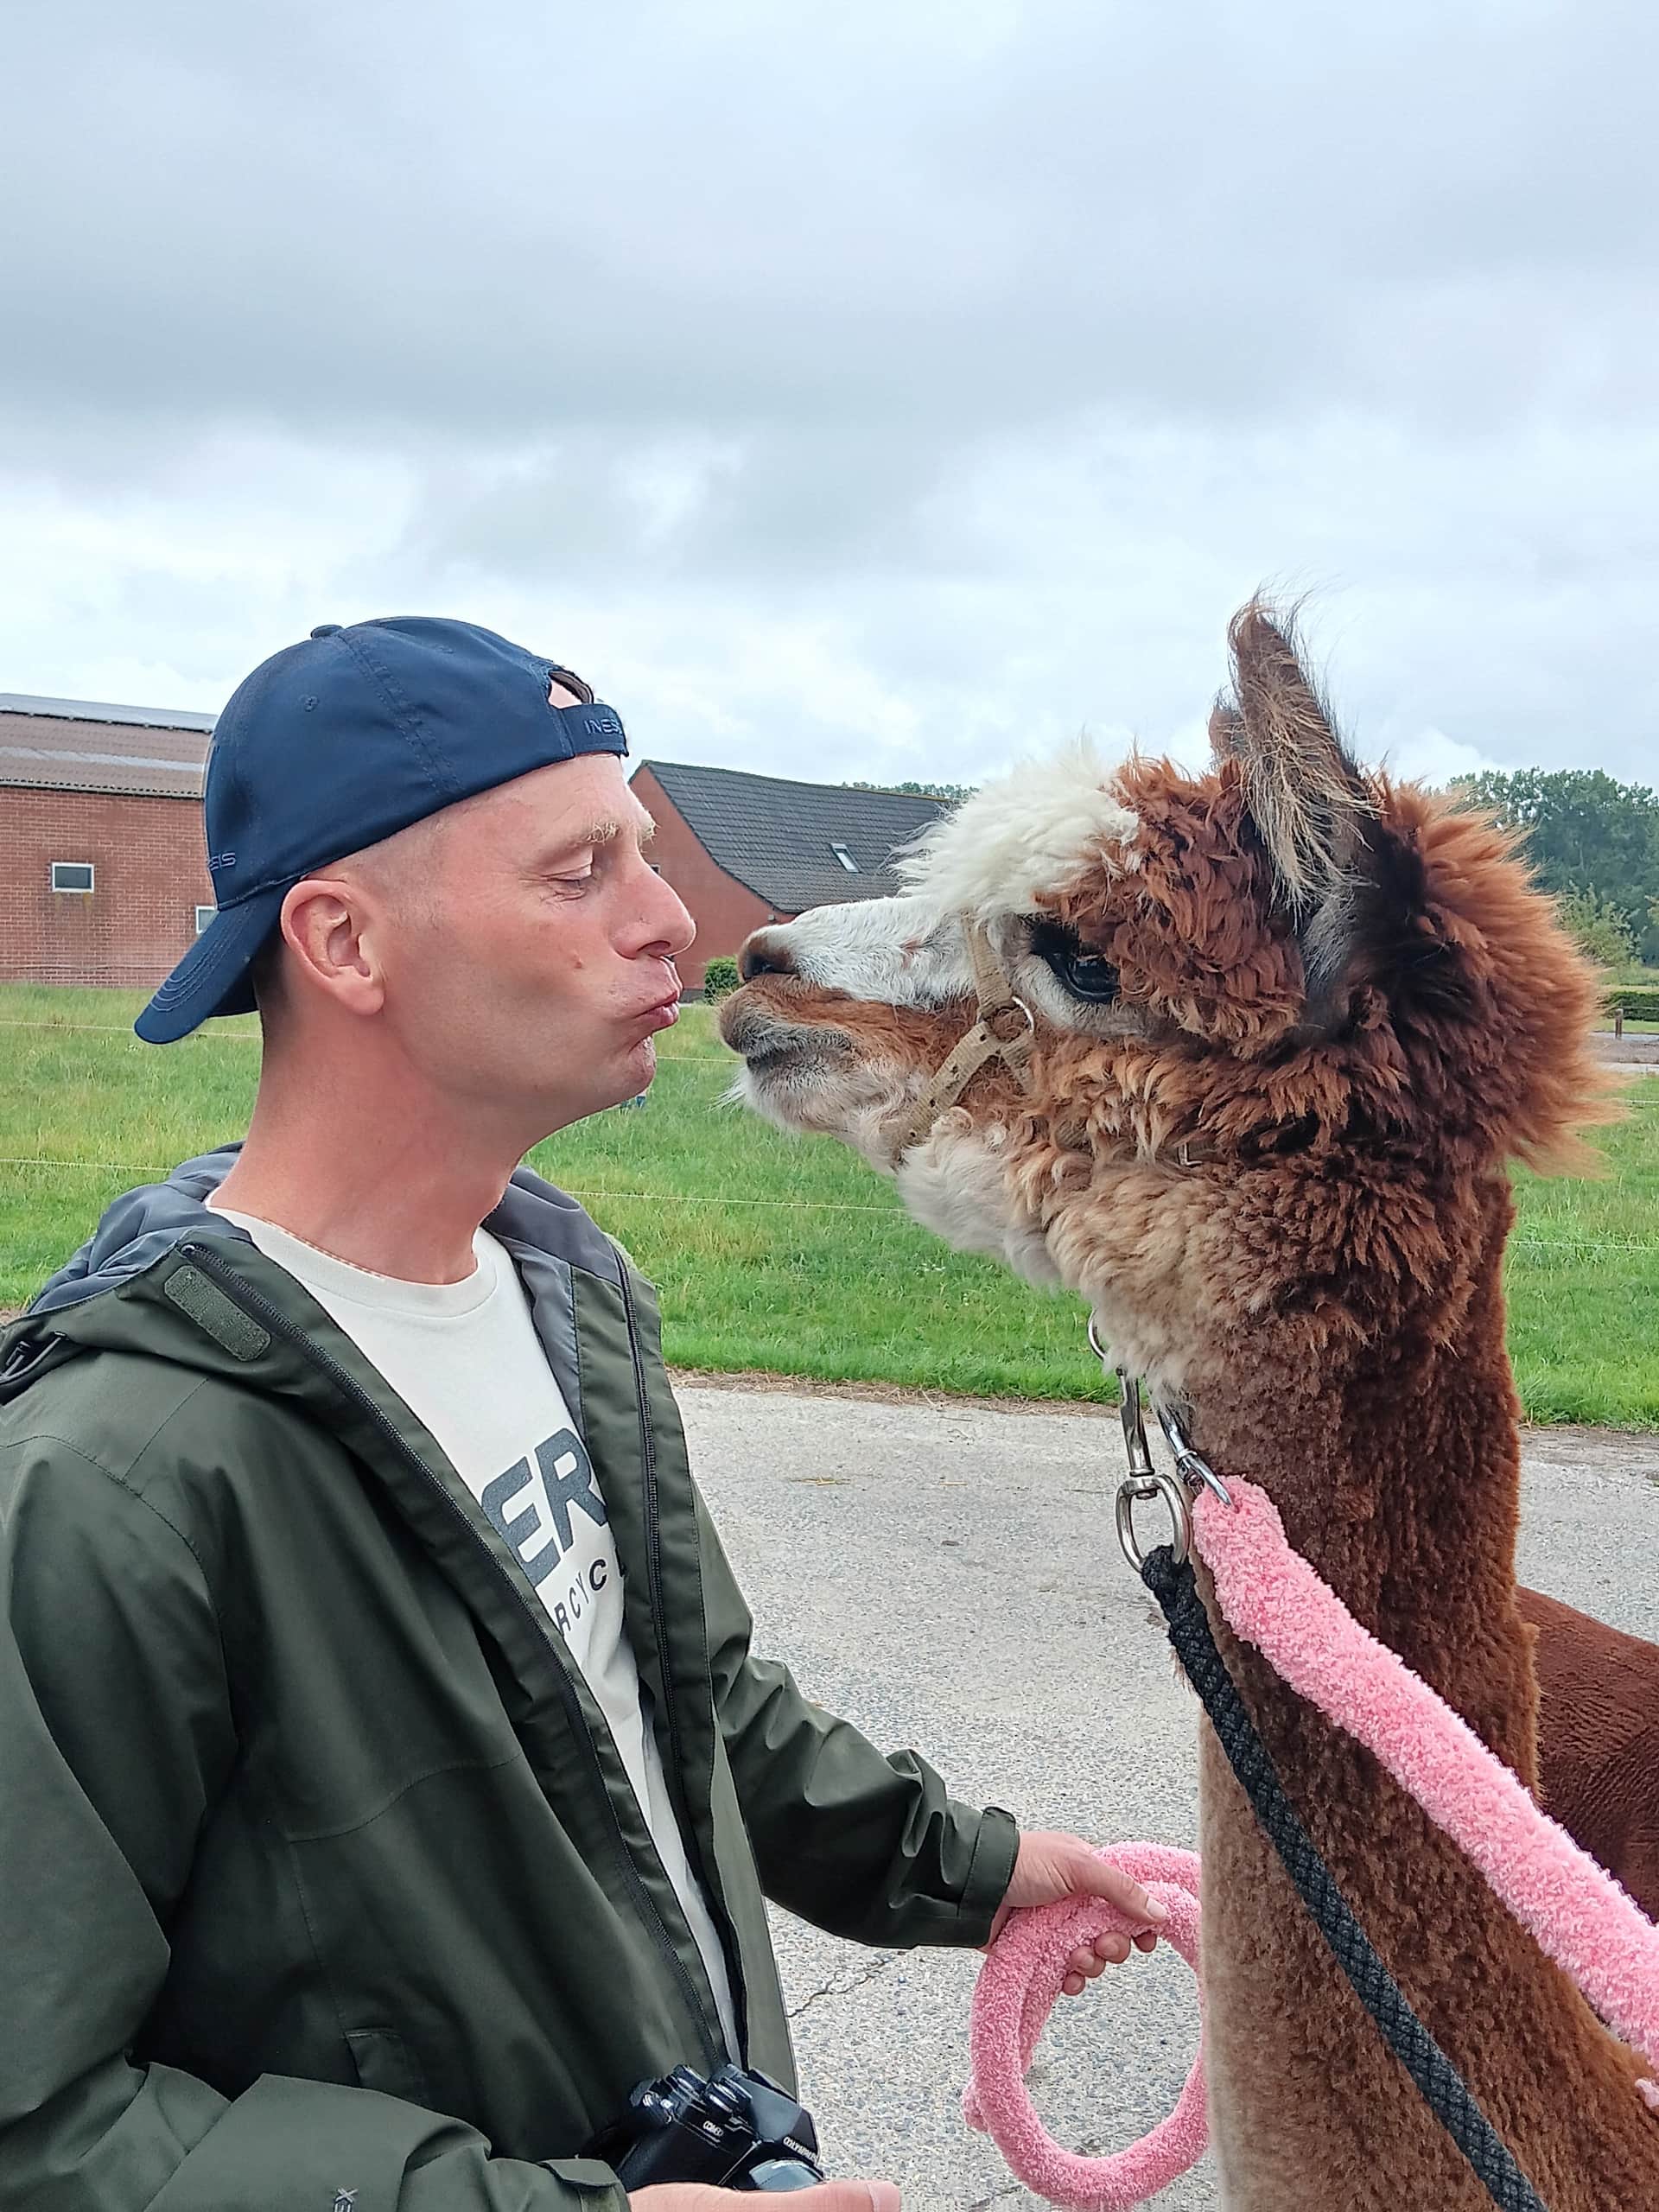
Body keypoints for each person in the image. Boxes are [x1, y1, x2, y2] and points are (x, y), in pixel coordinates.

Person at [0, 618, 1165, 2212]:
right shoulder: (112, 1478)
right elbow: (38, 2125)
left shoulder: (565, 1297)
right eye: (580, 872)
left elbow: (680, 1703)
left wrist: (973, 1865)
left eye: (647, 857)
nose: (671, 919)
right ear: (344, 944)